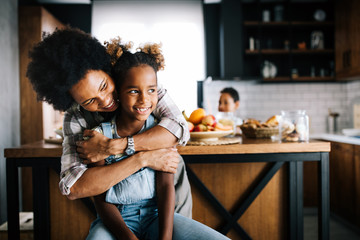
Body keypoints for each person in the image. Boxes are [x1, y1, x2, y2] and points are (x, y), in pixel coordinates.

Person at [26, 27, 192, 218]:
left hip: (169, 200)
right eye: (89, 101)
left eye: (104, 86)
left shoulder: (139, 85)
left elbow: (179, 129)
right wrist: (142, 159)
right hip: (121, 214)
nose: (105, 101)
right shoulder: (76, 118)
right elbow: (73, 186)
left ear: (107, 69)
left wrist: (114, 146)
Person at [87, 38, 229, 240]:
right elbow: (101, 201)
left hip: (157, 217)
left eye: (151, 90)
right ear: (117, 92)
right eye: (134, 91)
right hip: (116, 221)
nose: (144, 99)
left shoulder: (161, 133)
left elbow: (165, 187)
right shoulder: (99, 138)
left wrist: (165, 238)